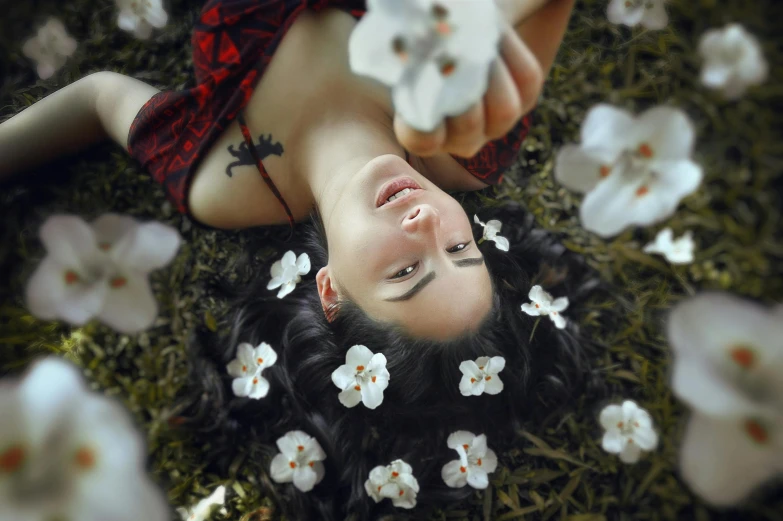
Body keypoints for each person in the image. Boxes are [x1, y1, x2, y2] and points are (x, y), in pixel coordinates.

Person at [0, 0, 606, 519]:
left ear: (330, 291)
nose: (426, 226)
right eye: (458, 249)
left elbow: (97, 97)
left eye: (405, 273)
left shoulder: (220, 184)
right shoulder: (466, 139)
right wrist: (477, 25)